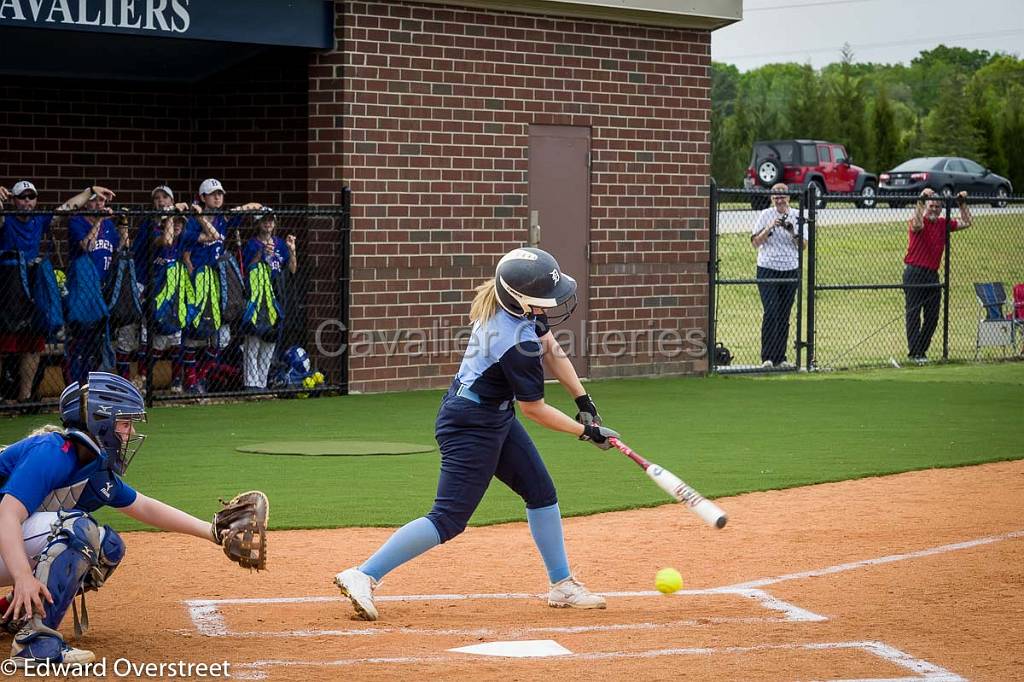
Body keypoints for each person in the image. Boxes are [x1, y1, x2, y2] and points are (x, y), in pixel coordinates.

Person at [334, 247, 620, 621]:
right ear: (520, 298)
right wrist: (585, 432)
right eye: (543, 299)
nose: (550, 304)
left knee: (540, 492)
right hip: (470, 423)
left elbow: (552, 348)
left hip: (493, 416)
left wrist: (584, 400)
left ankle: (562, 585)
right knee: (448, 518)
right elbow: (534, 409)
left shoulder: (521, 313)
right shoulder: (515, 341)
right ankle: (363, 574)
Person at [0, 372, 250, 666]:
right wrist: (23, 577)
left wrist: (213, 532)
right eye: (124, 423)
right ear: (100, 422)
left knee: (108, 546)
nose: (129, 433)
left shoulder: (93, 468)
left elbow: (144, 507)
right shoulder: (52, 452)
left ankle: (12, 613)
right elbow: (7, 514)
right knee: (77, 530)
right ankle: (35, 643)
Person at [0, 182, 103, 402]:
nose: (27, 202)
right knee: (5, 340)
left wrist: (90, 192)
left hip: (34, 283)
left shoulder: (40, 218)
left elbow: (67, 207)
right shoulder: (5, 217)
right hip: (9, 283)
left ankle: (24, 397)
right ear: (12, 200)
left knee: (34, 341)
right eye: (22, 197)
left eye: (31, 197)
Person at [181, 179, 261, 394]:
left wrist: (251, 208)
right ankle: (190, 382)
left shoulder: (223, 219)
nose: (217, 197)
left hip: (219, 284)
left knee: (221, 338)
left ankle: (200, 378)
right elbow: (186, 257)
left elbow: (249, 208)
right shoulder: (191, 222)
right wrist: (193, 286)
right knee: (195, 334)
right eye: (212, 194)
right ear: (203, 197)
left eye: (220, 194)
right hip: (198, 282)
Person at [115, 185, 190, 390]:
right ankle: (125, 382)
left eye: (165, 197)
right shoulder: (150, 223)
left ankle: (147, 380)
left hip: (162, 288)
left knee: (159, 333)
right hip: (139, 284)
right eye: (156, 198)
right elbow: (165, 241)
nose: (160, 201)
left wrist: (175, 216)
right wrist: (171, 213)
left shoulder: (178, 226)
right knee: (128, 334)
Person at [903, 188, 972, 364]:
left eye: (938, 206)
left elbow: (967, 222)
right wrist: (920, 201)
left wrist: (961, 203)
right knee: (913, 314)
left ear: (942, 208)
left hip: (932, 274)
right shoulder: (918, 220)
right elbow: (917, 225)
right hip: (915, 272)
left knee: (932, 316)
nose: (934, 209)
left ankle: (920, 351)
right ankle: (915, 354)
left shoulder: (943, 224)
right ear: (926, 206)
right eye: (931, 205)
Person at [65, 186, 123, 385]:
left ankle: (92, 385)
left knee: (97, 342)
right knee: (79, 340)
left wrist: (123, 227)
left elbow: (121, 248)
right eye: (95, 200)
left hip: (103, 288)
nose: (99, 204)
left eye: (102, 201)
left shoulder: (109, 227)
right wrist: (98, 221)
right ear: (87, 202)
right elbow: (87, 246)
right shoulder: (76, 222)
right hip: (82, 289)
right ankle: (75, 385)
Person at [751, 183, 806, 368]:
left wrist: (791, 231)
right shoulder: (766, 214)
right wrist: (769, 228)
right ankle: (767, 357)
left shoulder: (797, 215)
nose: (779, 200)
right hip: (767, 268)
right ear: (771, 199)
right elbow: (755, 242)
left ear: (789, 198)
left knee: (784, 314)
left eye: (782, 196)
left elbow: (803, 245)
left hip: (790, 268)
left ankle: (780, 358)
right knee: (771, 311)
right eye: (776, 197)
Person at [241, 208, 296, 391]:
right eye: (265, 220)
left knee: (269, 341)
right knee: (254, 341)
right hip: (257, 296)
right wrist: (262, 253)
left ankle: (262, 384)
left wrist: (291, 250)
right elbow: (247, 269)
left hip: (275, 296)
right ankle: (251, 384)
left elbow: (292, 269)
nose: (268, 224)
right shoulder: (251, 244)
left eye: (271, 220)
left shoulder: (280, 243)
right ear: (258, 223)